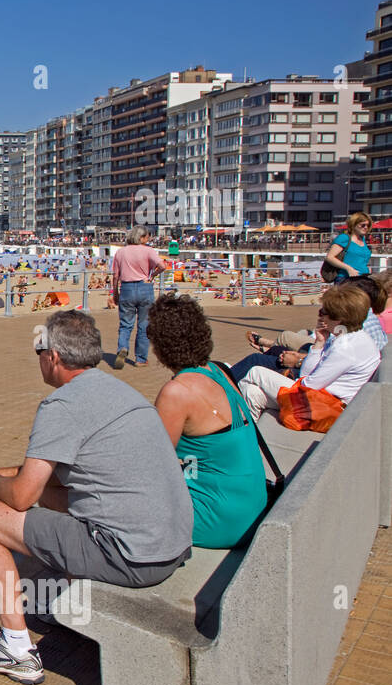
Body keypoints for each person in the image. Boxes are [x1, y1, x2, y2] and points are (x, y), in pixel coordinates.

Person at [0, 310, 192, 684]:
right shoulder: (121, 392)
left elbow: (20, 496)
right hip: (170, 546)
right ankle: (57, 599)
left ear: (53, 357)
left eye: (38, 350)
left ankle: (15, 649)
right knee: (53, 496)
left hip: (131, 557)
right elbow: (43, 480)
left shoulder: (62, 406)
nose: (38, 358)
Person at [147, 295, 267, 549]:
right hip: (249, 508)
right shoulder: (220, 370)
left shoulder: (177, 392)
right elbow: (201, 457)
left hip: (217, 519)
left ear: (160, 345)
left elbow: (154, 467)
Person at [238, 283, 381, 422]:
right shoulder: (347, 336)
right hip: (320, 400)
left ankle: (229, 414)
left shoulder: (346, 348)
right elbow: (306, 374)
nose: (320, 317)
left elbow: (309, 385)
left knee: (255, 371)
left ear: (339, 319)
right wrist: (319, 343)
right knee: (252, 392)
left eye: (324, 313)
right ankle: (248, 437)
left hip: (328, 406)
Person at [110, 226, 165, 368]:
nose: (148, 240)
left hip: (126, 288)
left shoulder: (120, 252)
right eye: (147, 237)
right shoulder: (148, 251)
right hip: (144, 287)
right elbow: (162, 266)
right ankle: (140, 359)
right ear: (141, 238)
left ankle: (122, 348)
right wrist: (152, 276)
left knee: (125, 324)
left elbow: (116, 276)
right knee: (144, 325)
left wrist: (115, 293)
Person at [325, 213, 372, 282]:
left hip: (363, 278)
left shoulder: (363, 239)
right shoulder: (344, 238)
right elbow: (330, 257)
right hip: (346, 279)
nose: (366, 227)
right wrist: (349, 269)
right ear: (354, 224)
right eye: (363, 225)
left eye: (368, 225)